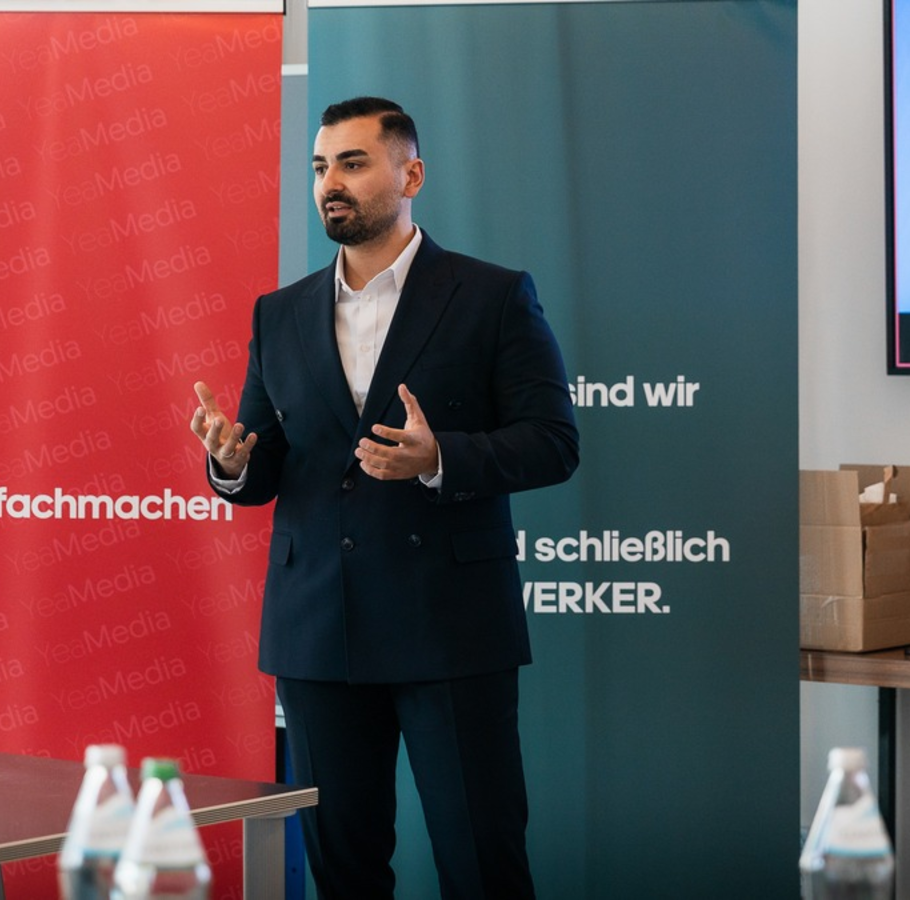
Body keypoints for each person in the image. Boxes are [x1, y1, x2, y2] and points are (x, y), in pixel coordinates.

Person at [190, 96, 579, 899]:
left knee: (483, 865)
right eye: (320, 167)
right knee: (344, 872)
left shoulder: (492, 296)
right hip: (318, 631)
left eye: (353, 163)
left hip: (450, 627)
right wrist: (229, 462)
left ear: (412, 175)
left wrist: (442, 459)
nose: (330, 182)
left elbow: (553, 441)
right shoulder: (280, 313)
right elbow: (265, 467)